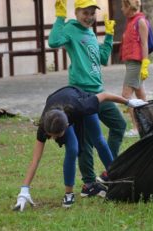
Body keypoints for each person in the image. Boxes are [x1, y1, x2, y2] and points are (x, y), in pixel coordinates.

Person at [13, 86, 147, 211]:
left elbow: (105, 95)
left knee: (99, 140)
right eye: (51, 136)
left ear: (66, 126)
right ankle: (68, 194)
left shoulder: (82, 106)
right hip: (59, 109)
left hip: (77, 100)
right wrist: (24, 190)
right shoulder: (45, 125)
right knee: (72, 149)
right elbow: (35, 159)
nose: (53, 139)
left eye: (57, 136)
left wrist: (128, 102)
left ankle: (116, 180)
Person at [48, 0, 127, 197]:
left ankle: (110, 170)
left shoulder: (90, 31)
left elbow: (101, 58)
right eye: (85, 12)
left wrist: (108, 36)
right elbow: (53, 42)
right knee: (87, 140)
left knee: (118, 125)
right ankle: (89, 183)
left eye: (92, 13)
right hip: (81, 94)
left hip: (99, 92)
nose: (90, 16)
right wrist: (59, 17)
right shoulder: (70, 29)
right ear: (76, 12)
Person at [120, 0, 150, 137]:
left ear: (129, 6)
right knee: (140, 95)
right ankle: (149, 122)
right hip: (130, 62)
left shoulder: (140, 21)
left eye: (123, 6)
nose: (121, 9)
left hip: (136, 63)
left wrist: (145, 64)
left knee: (126, 95)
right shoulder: (130, 21)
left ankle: (137, 128)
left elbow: (144, 44)